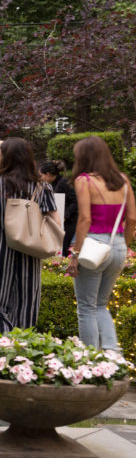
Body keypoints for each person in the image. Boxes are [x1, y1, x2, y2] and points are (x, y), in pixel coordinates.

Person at [0, 137, 59, 334]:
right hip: (30, 250)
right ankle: (21, 349)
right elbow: (56, 223)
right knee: (26, 303)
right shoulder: (42, 187)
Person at [67, 136, 136, 350]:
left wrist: (75, 254)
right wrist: (123, 246)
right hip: (118, 245)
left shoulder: (84, 181)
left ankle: (90, 358)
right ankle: (111, 354)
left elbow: (85, 219)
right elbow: (132, 219)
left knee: (86, 307)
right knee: (100, 305)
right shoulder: (123, 180)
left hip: (94, 246)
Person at [39, 159, 77, 256]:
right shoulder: (51, 184)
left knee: (63, 248)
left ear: (47, 174)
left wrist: (65, 216)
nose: (40, 178)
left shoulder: (64, 183)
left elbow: (76, 201)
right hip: (59, 220)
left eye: (41, 175)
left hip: (68, 222)